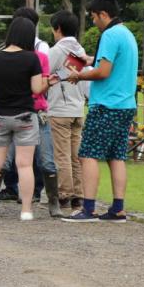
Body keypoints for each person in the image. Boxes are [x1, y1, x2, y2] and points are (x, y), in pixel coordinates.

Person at [62, 0, 138, 223]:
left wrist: (80, 75)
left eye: (94, 17)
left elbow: (103, 72)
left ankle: (89, 208)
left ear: (103, 14)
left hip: (106, 104)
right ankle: (118, 208)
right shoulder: (126, 33)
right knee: (117, 156)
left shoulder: (109, 35)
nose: (94, 21)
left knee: (88, 154)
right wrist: (89, 60)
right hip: (125, 104)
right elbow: (110, 63)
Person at [0, 17, 54, 221]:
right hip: (25, 117)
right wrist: (48, 83)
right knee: (25, 165)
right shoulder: (31, 59)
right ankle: (26, 210)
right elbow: (37, 89)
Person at [47, 11, 88, 211]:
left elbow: (44, 74)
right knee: (75, 155)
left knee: (61, 155)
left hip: (59, 109)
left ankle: (64, 194)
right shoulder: (81, 52)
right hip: (78, 108)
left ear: (58, 29)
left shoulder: (56, 51)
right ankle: (78, 195)